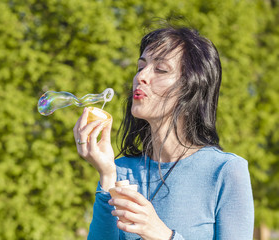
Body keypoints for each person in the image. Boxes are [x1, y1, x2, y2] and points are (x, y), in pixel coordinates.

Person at [73, 25, 254, 240]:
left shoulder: (225, 171)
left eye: (160, 69)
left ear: (191, 88)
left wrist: (163, 235)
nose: (141, 76)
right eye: (141, 66)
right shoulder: (121, 170)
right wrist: (107, 174)